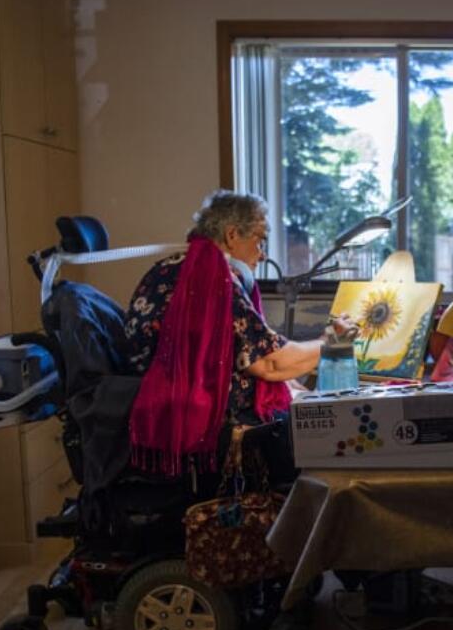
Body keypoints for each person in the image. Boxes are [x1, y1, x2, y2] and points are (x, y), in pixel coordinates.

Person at [123, 190, 330, 475]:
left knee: (299, 397)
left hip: (160, 405)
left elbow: (250, 352)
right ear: (232, 235)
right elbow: (269, 363)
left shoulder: (167, 268)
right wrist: (329, 343)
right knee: (315, 441)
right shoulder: (212, 277)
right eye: (259, 239)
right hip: (207, 421)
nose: (263, 253)